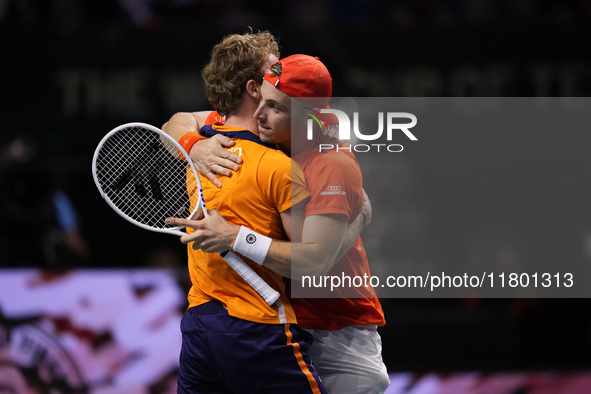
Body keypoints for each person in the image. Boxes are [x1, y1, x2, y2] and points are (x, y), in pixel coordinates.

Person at [166, 55, 390, 393]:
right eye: (261, 100)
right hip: (280, 320)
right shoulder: (267, 125)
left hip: (337, 330)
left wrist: (235, 237)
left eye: (273, 107)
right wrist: (194, 145)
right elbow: (177, 121)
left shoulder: (329, 163)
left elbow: (313, 263)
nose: (258, 114)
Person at [162, 32, 326, 394]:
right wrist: (240, 238)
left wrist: (191, 144)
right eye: (274, 69)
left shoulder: (204, 142)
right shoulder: (279, 167)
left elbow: (176, 122)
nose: (283, 73)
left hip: (199, 327)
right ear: (254, 88)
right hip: (259, 328)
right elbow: (309, 262)